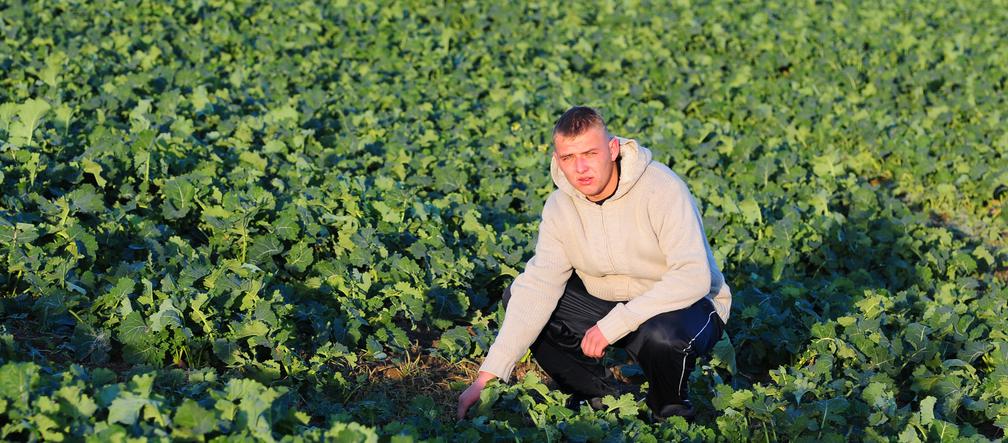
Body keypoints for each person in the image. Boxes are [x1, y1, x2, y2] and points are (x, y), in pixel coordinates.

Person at [456, 106, 732, 421]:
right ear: (557, 159)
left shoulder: (661, 188)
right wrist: (489, 374)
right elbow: (539, 286)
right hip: (610, 302)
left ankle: (668, 412)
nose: (580, 168)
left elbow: (693, 276)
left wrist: (615, 324)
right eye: (568, 158)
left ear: (613, 149)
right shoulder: (561, 206)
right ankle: (603, 400)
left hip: (684, 305)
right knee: (521, 295)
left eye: (589, 153)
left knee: (662, 337)